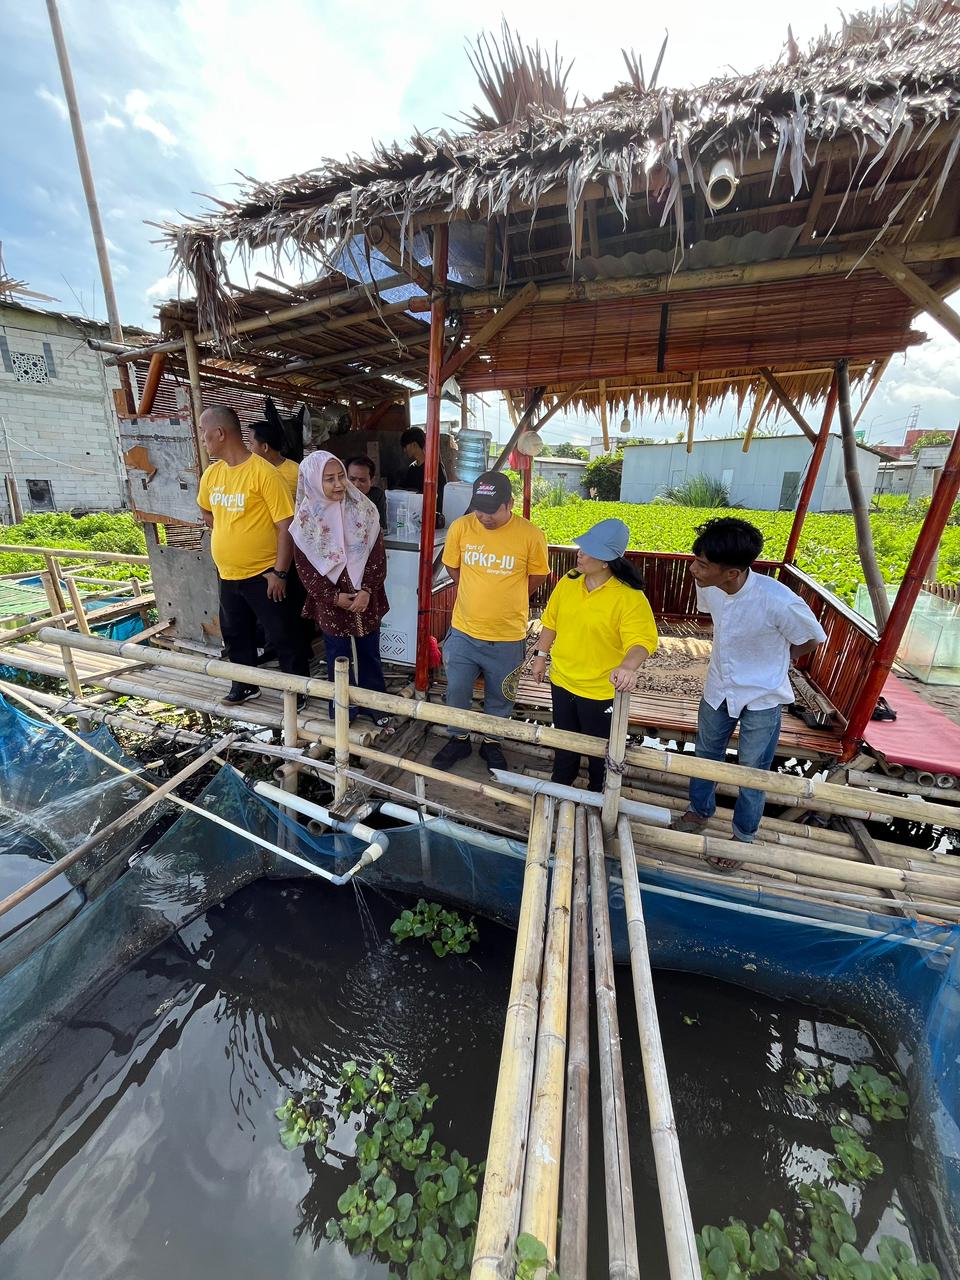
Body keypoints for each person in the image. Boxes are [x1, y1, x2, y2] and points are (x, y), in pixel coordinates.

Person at [676, 517, 827, 869]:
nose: (694, 569)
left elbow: (812, 638)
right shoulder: (709, 584)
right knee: (705, 754)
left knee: (753, 769)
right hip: (718, 687)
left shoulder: (778, 600)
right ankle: (700, 810)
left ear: (732, 572)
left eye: (703, 564)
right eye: (696, 559)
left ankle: (744, 835)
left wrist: (779, 660)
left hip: (763, 695)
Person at [431, 470, 550, 773]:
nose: (484, 516)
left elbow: (538, 575)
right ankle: (458, 738)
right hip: (464, 631)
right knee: (457, 690)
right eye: (479, 508)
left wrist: (509, 596)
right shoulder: (461, 527)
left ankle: (492, 742)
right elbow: (453, 567)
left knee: (501, 695)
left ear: (510, 504)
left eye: (491, 510)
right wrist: (475, 592)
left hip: (507, 635)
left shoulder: (531, 534)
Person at [532, 519, 658, 793]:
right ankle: (561, 784)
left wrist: (627, 667)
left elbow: (642, 641)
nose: (580, 553)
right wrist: (541, 656)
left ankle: (599, 794)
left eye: (588, 551)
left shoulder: (629, 597)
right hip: (562, 680)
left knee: (600, 749)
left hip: (600, 689)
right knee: (565, 741)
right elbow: (551, 622)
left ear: (606, 562)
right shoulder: (569, 581)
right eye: (582, 547)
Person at [196, 406, 310, 704]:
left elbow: (286, 525)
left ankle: (297, 690)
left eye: (204, 432)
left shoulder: (265, 473)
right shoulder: (212, 474)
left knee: (283, 634)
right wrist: (231, 535)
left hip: (266, 574)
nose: (203, 438)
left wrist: (280, 572)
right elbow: (206, 511)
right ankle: (245, 684)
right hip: (228, 572)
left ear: (220, 433)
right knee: (235, 633)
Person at [291, 451, 391, 724]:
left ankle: (376, 706)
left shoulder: (364, 509)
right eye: (329, 479)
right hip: (331, 603)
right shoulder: (305, 522)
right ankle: (344, 710)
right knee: (338, 657)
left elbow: (377, 554)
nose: (338, 484)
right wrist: (332, 597)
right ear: (313, 482)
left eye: (340, 477)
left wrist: (367, 590)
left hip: (366, 597)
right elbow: (305, 568)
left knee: (370, 652)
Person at [398, 426, 446, 524]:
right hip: (414, 517)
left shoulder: (434, 467)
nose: (404, 450)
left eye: (405, 446)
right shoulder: (412, 468)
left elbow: (440, 495)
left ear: (414, 445)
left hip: (431, 518)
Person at [250, 419, 300, 502]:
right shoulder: (249, 471)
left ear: (265, 447)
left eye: (251, 443)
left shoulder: (298, 473)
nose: (248, 448)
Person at [346, 455, 387, 530]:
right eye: (352, 479)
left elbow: (381, 527)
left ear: (372, 481)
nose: (356, 485)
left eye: (362, 480)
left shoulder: (377, 496)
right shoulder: (340, 497)